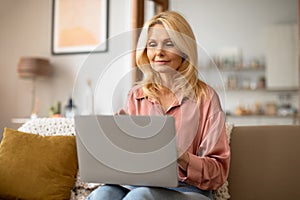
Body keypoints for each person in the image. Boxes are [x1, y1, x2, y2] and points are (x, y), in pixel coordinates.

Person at [88, 11, 230, 200]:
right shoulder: (136, 96)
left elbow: (218, 173)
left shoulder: (206, 98)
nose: (158, 52)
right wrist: (116, 142)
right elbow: (128, 159)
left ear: (184, 49)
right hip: (138, 184)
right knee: (103, 195)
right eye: (152, 44)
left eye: (169, 44)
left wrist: (180, 156)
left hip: (189, 190)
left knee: (139, 196)